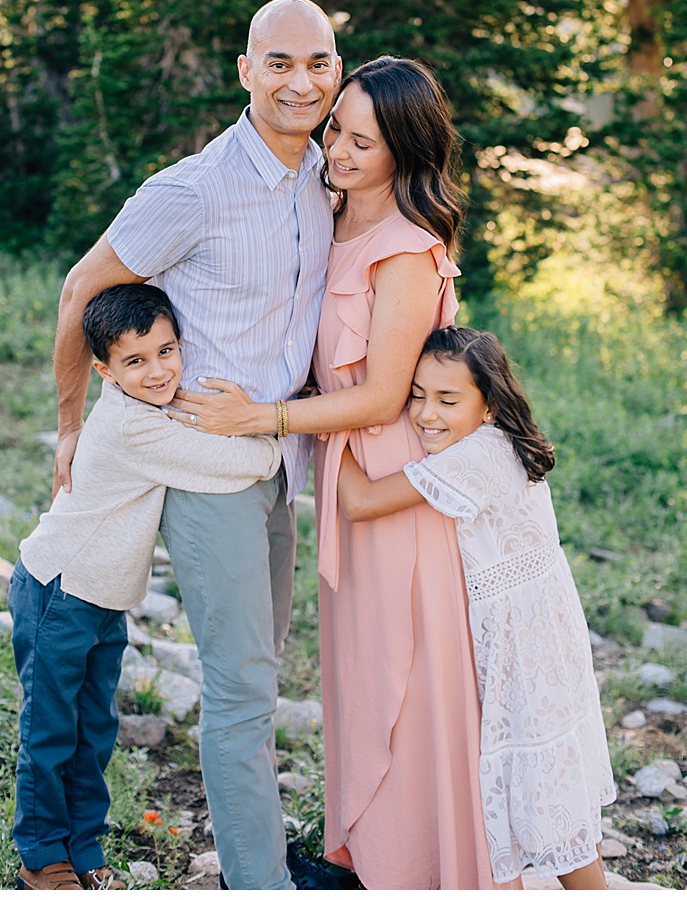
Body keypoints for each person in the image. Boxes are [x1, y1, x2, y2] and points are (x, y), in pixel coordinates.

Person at [172, 56, 492, 887]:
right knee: (358, 676)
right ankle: (367, 855)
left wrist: (262, 416)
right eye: (336, 130)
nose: (339, 151)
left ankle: (424, 869)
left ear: (405, 152)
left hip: (394, 484)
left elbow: (384, 396)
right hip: (341, 483)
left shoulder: (407, 252)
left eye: (363, 141)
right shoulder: (327, 213)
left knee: (407, 681)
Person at [52, 0, 339, 891]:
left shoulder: (329, 176)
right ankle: (258, 882)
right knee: (244, 685)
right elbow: (79, 293)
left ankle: (277, 854)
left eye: (319, 63)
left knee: (267, 673)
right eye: (281, 63)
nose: (302, 81)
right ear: (245, 71)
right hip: (206, 472)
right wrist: (68, 430)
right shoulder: (191, 190)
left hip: (281, 462)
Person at [12, 284, 282, 890]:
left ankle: (84, 849)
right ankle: (41, 853)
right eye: (136, 361)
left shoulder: (151, 409)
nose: (158, 371)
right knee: (52, 729)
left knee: (96, 729)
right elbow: (236, 464)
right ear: (105, 371)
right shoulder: (136, 429)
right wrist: (274, 441)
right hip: (58, 589)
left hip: (101, 598)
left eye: (167, 351)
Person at [336, 327, 616, 889]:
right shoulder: (489, 444)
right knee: (543, 788)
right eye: (415, 394)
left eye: (447, 399)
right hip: (538, 629)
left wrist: (327, 427)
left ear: (489, 405)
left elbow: (360, 500)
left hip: (528, 643)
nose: (424, 415)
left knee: (547, 795)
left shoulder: (480, 457)